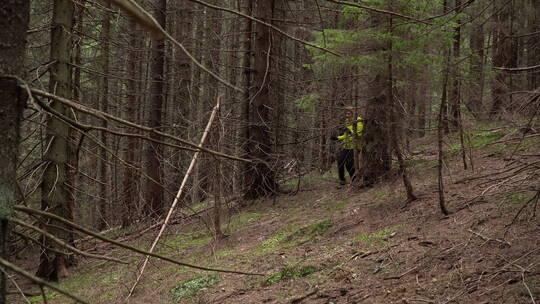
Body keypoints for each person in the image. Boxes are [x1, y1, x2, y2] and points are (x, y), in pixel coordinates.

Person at [331, 108, 363, 188]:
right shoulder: (347, 121)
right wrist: (338, 138)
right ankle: (342, 181)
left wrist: (349, 131)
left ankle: (354, 180)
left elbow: (359, 134)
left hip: (355, 146)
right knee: (340, 161)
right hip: (346, 146)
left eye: (349, 114)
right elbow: (346, 135)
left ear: (354, 113)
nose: (347, 115)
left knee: (349, 164)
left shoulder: (359, 121)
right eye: (346, 114)